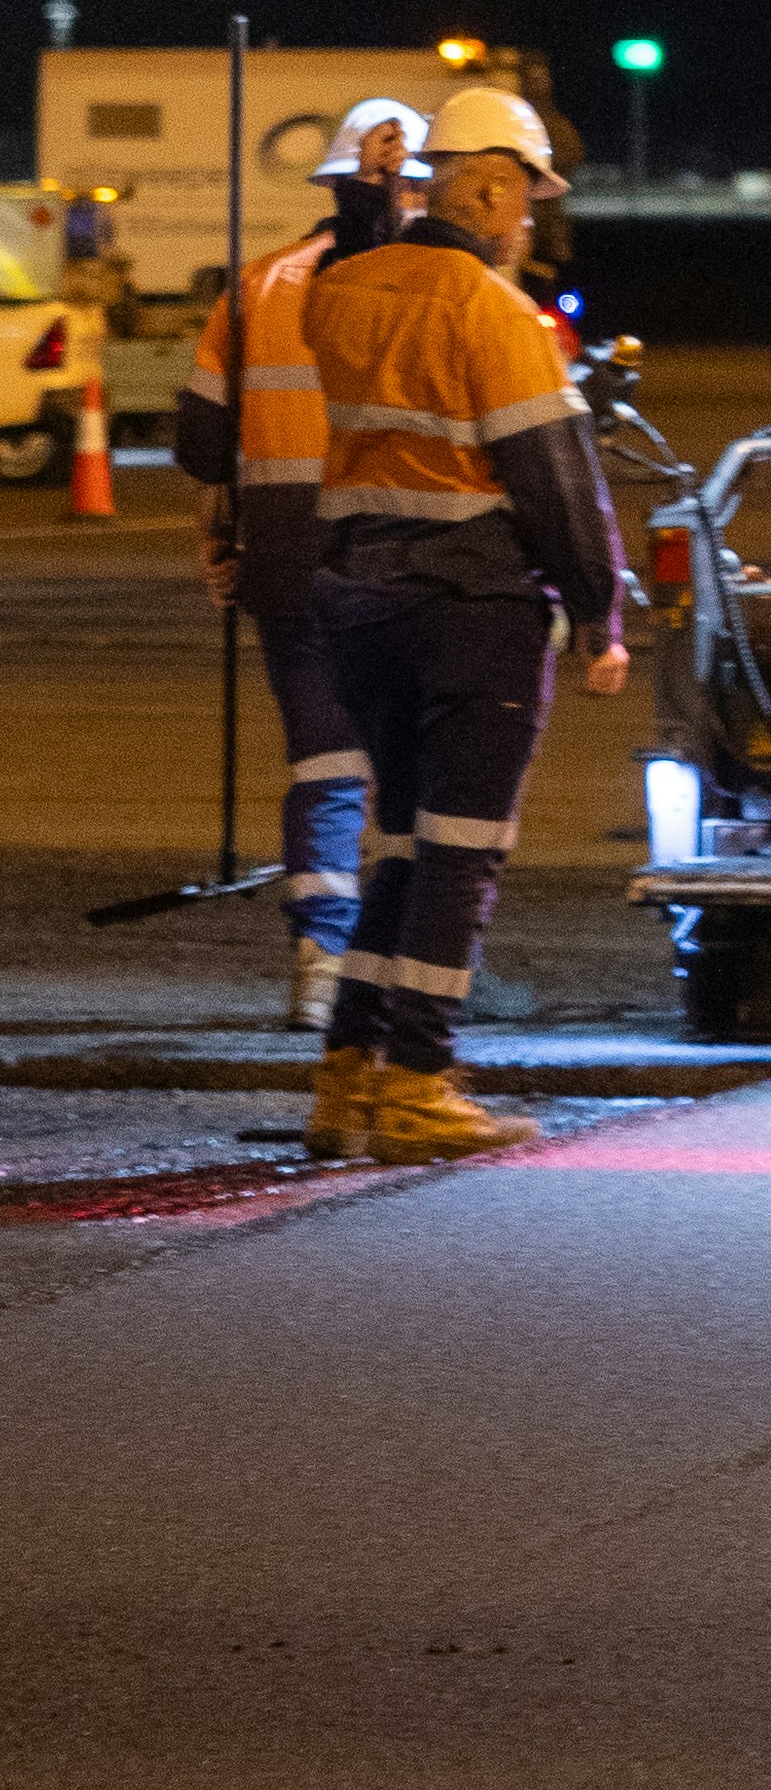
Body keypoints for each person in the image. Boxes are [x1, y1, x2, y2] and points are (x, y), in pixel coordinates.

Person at [249, 82, 627, 1165]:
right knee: (463, 855)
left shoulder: (340, 291)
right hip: (474, 608)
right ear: (495, 185)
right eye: (527, 199)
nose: (530, 223)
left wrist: (375, 212)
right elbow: (553, 478)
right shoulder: (493, 311)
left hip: (360, 600)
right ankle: (419, 1083)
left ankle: (345, 1079)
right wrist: (600, 609)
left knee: (406, 852)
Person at [168, 94, 438, 1024]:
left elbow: (204, 443)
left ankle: (320, 964)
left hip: (286, 559)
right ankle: (405, 966)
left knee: (324, 757)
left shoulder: (259, 284)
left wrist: (229, 514)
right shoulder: (437, 289)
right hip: (400, 557)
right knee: (410, 766)